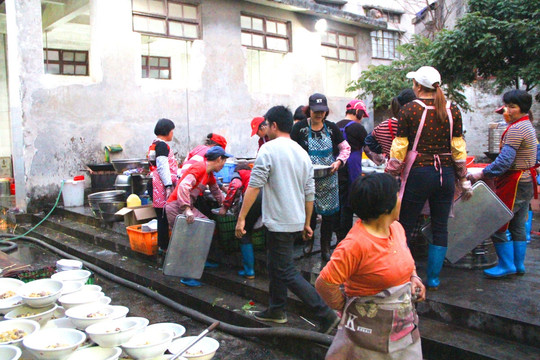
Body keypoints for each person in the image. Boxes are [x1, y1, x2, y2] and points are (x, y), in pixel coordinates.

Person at [235, 105, 339, 333]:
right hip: (294, 219)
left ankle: (325, 314)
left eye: (266, 124)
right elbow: (309, 190)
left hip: (280, 221)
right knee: (276, 265)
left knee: (285, 270)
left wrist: (242, 218)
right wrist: (307, 222)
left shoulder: (269, 149)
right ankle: (276, 309)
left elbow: (254, 185)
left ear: (273, 125)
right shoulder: (301, 152)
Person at [316, 173, 425, 359]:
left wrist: (414, 277)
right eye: (396, 195)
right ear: (385, 207)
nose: (400, 199)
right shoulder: (355, 244)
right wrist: (347, 308)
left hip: (403, 331)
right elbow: (324, 283)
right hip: (366, 336)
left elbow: (405, 257)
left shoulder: (396, 228)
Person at [386, 66, 471, 290]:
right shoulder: (454, 109)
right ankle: (433, 278)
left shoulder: (409, 110)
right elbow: (458, 147)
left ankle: (404, 273)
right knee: (440, 226)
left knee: (404, 225)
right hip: (446, 174)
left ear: (416, 86)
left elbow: (400, 147)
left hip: (420, 173)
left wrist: (390, 174)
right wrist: (463, 178)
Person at [468, 90, 537, 278]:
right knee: (517, 225)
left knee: (496, 221)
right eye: (506, 105)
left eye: (511, 107)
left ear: (522, 109)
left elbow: (505, 161)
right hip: (526, 181)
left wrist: (481, 173)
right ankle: (517, 265)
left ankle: (506, 265)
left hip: (515, 182)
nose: (507, 110)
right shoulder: (526, 125)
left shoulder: (516, 129)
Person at [291, 93, 351, 261]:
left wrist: (339, 162)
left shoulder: (332, 128)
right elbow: (291, 150)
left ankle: (325, 247)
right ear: (309, 110)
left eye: (322, 111)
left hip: (329, 179)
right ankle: (308, 242)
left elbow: (345, 148)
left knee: (329, 217)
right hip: (306, 179)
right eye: (315, 111)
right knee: (308, 214)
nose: (319, 114)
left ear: (326, 111)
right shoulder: (299, 128)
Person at [165, 146, 232, 287]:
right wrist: (186, 209)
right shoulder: (200, 167)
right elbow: (184, 186)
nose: (224, 165)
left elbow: (216, 191)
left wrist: (226, 205)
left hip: (185, 206)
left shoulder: (209, 174)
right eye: (224, 162)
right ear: (219, 159)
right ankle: (186, 276)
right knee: (187, 240)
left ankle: (200, 261)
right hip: (176, 206)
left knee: (205, 228)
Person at [219, 162, 262, 279]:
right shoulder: (253, 173)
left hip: (254, 197)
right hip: (266, 198)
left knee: (244, 233)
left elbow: (235, 186)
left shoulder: (238, 173)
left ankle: (249, 271)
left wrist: (225, 206)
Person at [335, 100, 368, 241]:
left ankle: (338, 236)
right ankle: (346, 238)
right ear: (357, 112)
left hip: (336, 168)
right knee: (349, 204)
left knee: (339, 203)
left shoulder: (335, 126)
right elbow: (368, 148)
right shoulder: (358, 128)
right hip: (351, 171)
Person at [147, 118, 178, 254]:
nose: (173, 134)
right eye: (172, 131)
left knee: (161, 216)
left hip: (155, 183)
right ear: (167, 132)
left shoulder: (154, 144)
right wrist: (168, 185)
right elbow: (162, 166)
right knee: (164, 216)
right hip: (160, 185)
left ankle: (162, 246)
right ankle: (164, 248)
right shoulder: (162, 146)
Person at [365, 89, 417, 157]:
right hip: (414, 165)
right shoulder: (416, 126)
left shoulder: (383, 126)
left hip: (393, 166)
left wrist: (383, 150)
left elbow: (369, 141)